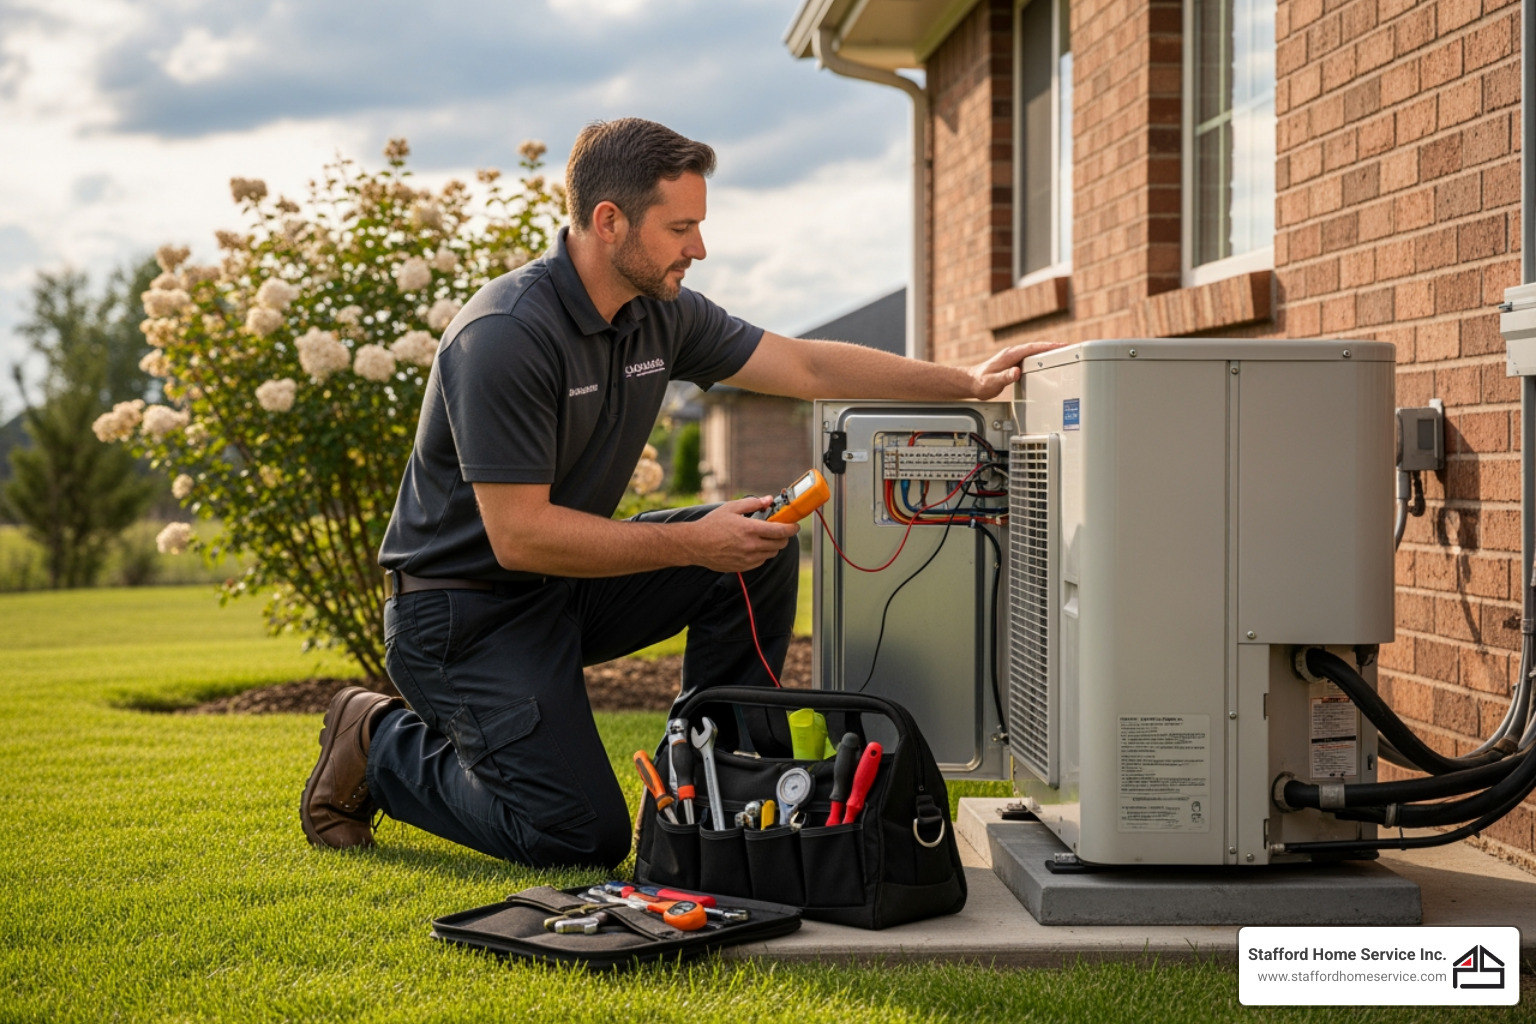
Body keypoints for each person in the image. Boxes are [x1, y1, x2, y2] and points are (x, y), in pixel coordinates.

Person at [299, 117, 1057, 868]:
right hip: (460, 614)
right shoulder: (505, 335)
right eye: (681, 227)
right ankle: (377, 740)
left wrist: (963, 383)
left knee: (755, 546)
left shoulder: (658, 315)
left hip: (558, 589)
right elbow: (520, 535)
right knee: (575, 836)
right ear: (609, 221)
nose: (699, 247)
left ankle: (719, 791)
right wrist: (694, 541)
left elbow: (806, 370)